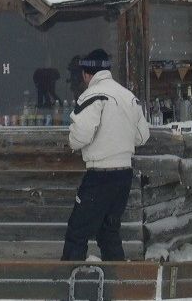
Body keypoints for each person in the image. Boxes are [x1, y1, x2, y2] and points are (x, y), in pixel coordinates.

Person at [62, 49, 150, 261]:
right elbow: (142, 136)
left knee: (77, 231)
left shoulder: (92, 95)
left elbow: (79, 137)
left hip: (100, 174)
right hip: (124, 175)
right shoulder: (129, 96)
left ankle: (68, 285)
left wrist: (73, 140)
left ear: (86, 74)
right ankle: (116, 284)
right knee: (109, 232)